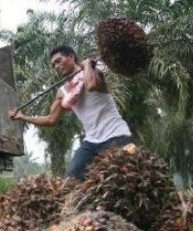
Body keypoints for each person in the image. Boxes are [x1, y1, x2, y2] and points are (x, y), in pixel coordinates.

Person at [7, 45, 133, 180]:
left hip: (116, 135)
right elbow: (51, 120)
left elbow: (90, 86)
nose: (56, 67)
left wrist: (87, 65)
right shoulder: (62, 92)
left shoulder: (94, 73)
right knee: (73, 176)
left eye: (58, 61)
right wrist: (22, 117)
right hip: (91, 141)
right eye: (53, 64)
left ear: (72, 57)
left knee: (122, 177)